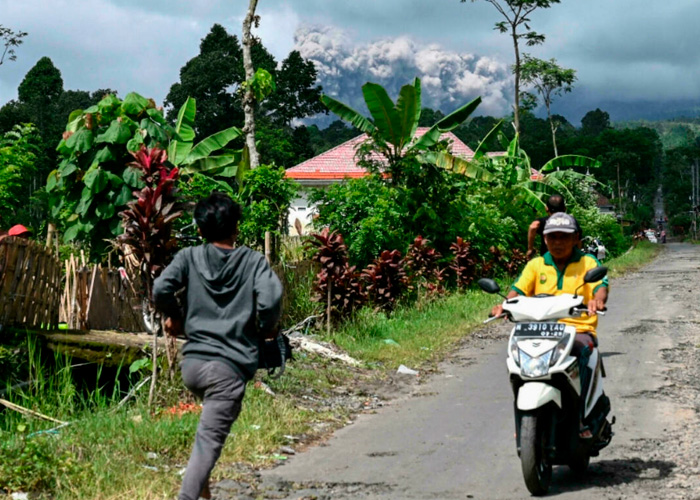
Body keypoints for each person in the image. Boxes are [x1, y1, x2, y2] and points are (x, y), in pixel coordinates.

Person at [153, 192, 283, 500]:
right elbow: (272, 299)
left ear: (199, 230)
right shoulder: (252, 262)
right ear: (236, 227)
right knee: (208, 443)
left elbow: (161, 288)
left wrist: (176, 317)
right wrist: (266, 329)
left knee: (206, 436)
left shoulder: (188, 257)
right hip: (228, 371)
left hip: (194, 366)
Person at [492, 212, 608, 438]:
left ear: (576, 239)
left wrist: (598, 300)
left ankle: (581, 419)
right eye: (552, 237)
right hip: (537, 329)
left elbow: (599, 286)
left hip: (578, 329)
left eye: (564, 237)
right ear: (544, 239)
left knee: (581, 351)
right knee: (516, 363)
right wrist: (503, 305)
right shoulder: (536, 265)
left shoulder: (588, 262)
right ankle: (522, 422)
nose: (558, 242)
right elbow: (518, 290)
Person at [526, 194, 581, 260]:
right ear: (564, 209)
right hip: (569, 260)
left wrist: (530, 249)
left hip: (548, 260)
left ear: (546, 208)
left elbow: (533, 227)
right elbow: (579, 240)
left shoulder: (544, 222)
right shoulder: (571, 221)